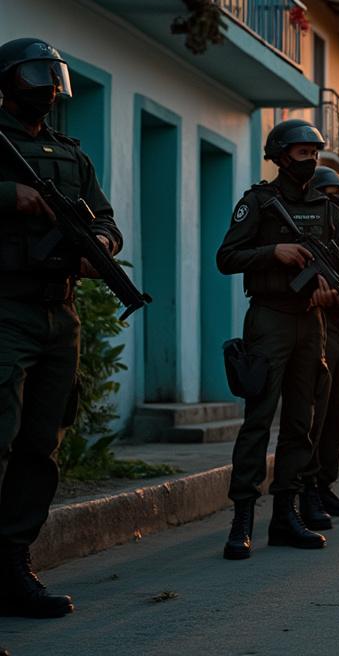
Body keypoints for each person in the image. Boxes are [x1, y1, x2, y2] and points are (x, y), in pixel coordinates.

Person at [0, 38, 121, 614]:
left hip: (59, 312)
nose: (48, 86)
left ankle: (13, 561)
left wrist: (98, 241)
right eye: (35, 74)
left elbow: (107, 218)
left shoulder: (70, 154)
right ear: (7, 81)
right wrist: (10, 194)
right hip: (4, 307)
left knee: (41, 443)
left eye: (54, 76)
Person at [218, 119, 339, 559]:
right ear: (281, 157)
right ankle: (242, 520)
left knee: (303, 423)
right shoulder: (258, 203)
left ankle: (286, 515)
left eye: (315, 154)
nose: (311, 161)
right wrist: (272, 252)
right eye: (303, 153)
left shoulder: (327, 211)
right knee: (258, 420)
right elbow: (226, 257)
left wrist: (337, 290)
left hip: (311, 323)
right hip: (269, 320)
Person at [303, 166, 339, 523]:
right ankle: (305, 489)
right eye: (328, 194)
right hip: (314, 329)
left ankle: (325, 486)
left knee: (338, 414)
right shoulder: (303, 228)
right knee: (315, 418)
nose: (336, 200)